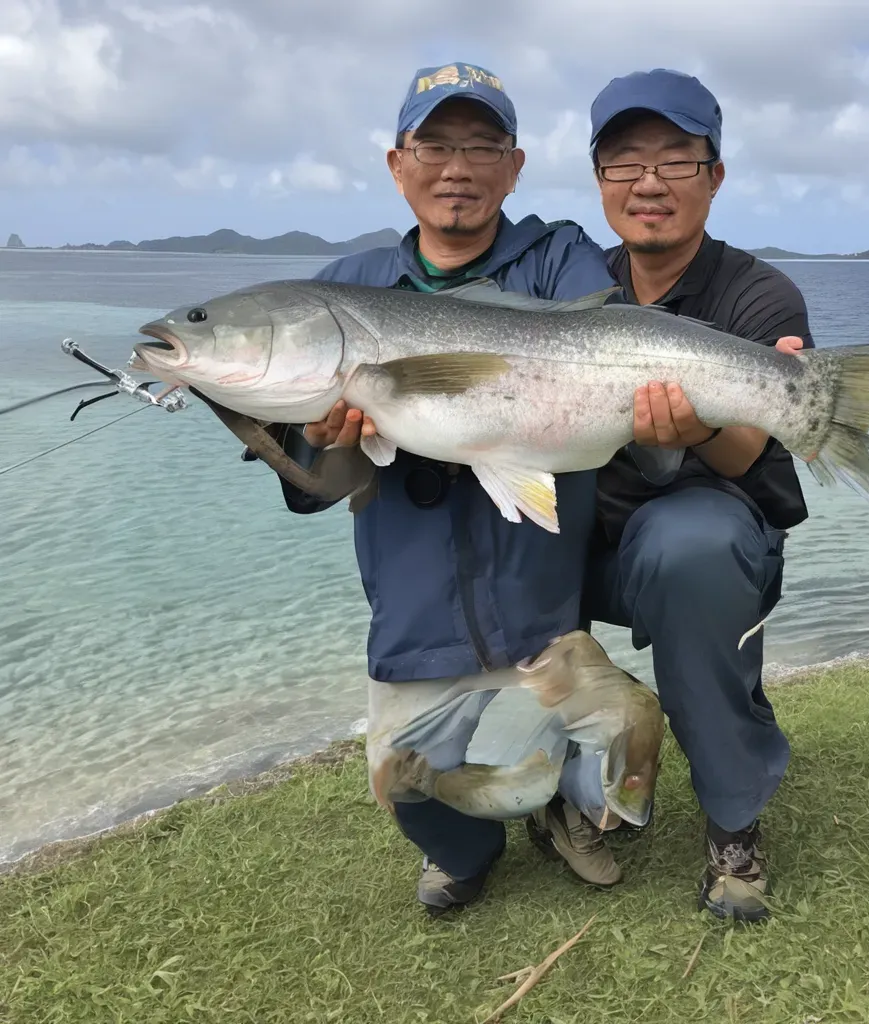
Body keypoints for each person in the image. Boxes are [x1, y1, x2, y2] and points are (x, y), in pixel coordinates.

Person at [269, 62, 628, 915]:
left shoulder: (558, 259)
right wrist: (315, 435)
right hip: (416, 619)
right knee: (408, 784)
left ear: (515, 165)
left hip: (540, 615)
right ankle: (471, 849)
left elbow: (597, 370)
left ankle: (564, 809)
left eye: (480, 146)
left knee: (608, 759)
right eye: (434, 144)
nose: (456, 167)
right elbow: (312, 485)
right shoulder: (346, 287)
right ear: (397, 163)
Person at [528, 68, 814, 924]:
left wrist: (687, 430)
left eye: (675, 161)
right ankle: (562, 787)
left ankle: (732, 821)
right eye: (624, 163)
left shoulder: (759, 294)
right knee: (490, 544)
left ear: (714, 176)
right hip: (586, 542)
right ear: (599, 178)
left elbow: (742, 453)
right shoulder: (572, 279)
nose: (648, 183)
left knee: (690, 545)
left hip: (710, 548)